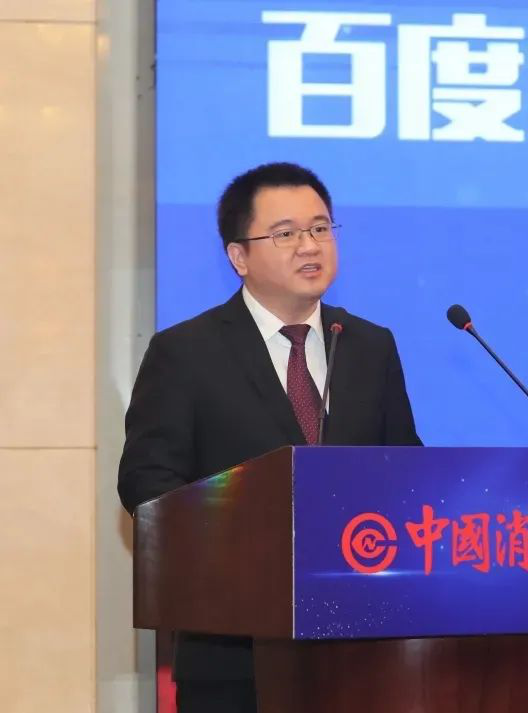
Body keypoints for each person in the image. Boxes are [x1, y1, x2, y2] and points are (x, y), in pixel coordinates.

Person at [118, 162, 422, 713]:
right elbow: (147, 485)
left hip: (362, 651)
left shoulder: (369, 345)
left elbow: (405, 472)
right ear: (239, 257)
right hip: (233, 652)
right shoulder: (185, 352)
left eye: (320, 228)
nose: (310, 245)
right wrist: (246, 541)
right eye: (285, 234)